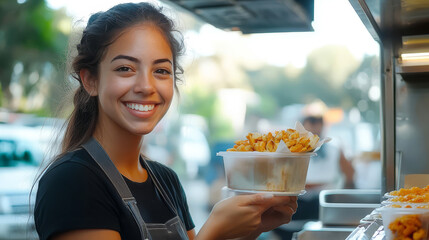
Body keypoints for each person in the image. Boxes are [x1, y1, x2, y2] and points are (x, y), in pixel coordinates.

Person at [33, 3, 298, 240]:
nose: (146, 86)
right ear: (91, 80)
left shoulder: (166, 180)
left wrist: (247, 230)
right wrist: (215, 231)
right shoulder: (72, 182)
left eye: (161, 71)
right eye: (125, 68)